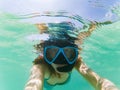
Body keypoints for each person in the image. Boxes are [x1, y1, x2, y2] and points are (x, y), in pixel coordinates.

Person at [24, 20, 118, 90]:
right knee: (44, 34)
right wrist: (92, 27)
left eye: (68, 53)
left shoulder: (77, 62)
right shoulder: (41, 67)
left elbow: (99, 82)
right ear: (45, 55)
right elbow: (35, 79)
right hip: (48, 85)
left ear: (75, 54)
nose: (61, 59)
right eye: (53, 53)